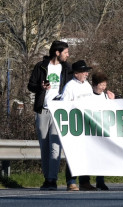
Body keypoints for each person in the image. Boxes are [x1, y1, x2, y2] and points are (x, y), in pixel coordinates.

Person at [27, 40, 73, 191]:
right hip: (43, 110)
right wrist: (41, 87)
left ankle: (53, 179)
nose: (68, 55)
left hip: (58, 110)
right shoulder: (41, 66)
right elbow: (30, 85)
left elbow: (73, 87)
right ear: (57, 53)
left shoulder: (67, 69)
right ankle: (47, 179)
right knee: (44, 146)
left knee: (55, 145)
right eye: (65, 52)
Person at [59, 60, 97, 191]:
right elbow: (64, 106)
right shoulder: (69, 87)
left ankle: (85, 181)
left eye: (87, 71)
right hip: (74, 125)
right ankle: (71, 181)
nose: (87, 73)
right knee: (73, 154)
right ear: (76, 73)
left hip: (87, 124)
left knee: (86, 154)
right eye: (84, 71)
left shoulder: (87, 85)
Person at [89, 71, 114, 191]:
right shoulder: (88, 95)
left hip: (102, 129)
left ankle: (100, 180)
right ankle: (86, 180)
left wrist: (112, 100)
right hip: (90, 130)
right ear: (95, 84)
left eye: (105, 85)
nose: (103, 87)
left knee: (102, 155)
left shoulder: (105, 96)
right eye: (101, 85)